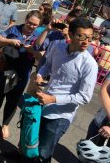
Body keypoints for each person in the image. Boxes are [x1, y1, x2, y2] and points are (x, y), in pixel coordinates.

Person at [34, 17, 98, 163]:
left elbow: (85, 97)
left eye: (89, 37)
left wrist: (54, 99)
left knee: (44, 153)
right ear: (70, 34)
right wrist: (39, 75)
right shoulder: (58, 47)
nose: (86, 41)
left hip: (61, 115)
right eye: (81, 36)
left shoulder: (90, 65)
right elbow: (47, 64)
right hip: (42, 103)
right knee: (31, 140)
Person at [0, 10, 42, 139]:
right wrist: (10, 42)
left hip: (22, 72)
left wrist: (32, 50)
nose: (31, 26)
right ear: (26, 20)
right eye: (30, 23)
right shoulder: (14, 29)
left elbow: (41, 58)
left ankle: (5, 124)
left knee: (13, 100)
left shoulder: (38, 38)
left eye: (35, 25)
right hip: (5, 68)